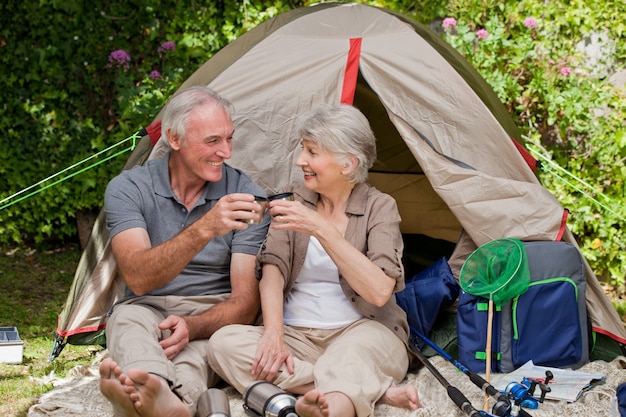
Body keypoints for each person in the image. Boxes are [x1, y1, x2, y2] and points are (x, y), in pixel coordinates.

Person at [207, 103, 419, 417]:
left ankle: (328, 404)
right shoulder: (291, 199)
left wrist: (320, 228)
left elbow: (378, 291)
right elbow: (272, 267)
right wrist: (273, 334)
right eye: (303, 149)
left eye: (312, 152)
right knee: (222, 344)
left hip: (364, 331)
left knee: (349, 358)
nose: (300, 160)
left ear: (348, 164)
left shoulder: (380, 207)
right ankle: (370, 390)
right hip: (297, 335)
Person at [98, 86, 270, 417]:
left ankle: (155, 400)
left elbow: (245, 304)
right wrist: (206, 227)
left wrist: (193, 326)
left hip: (213, 314)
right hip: (145, 307)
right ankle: (152, 387)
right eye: (212, 141)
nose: (226, 152)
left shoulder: (246, 195)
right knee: (127, 320)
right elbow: (138, 277)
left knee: (201, 354)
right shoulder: (128, 188)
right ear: (174, 139)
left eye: (229, 139)